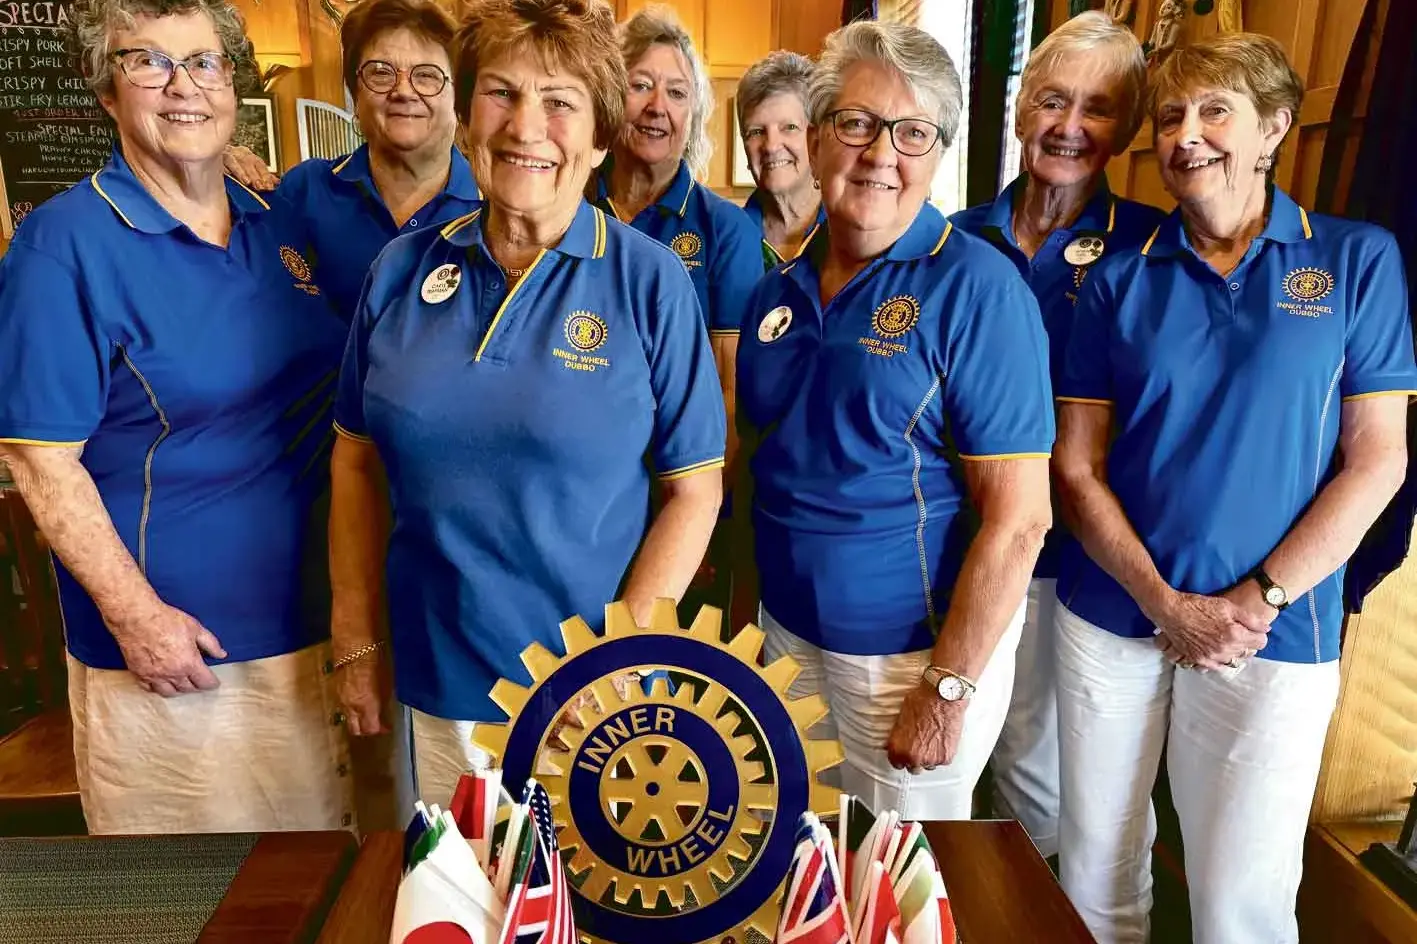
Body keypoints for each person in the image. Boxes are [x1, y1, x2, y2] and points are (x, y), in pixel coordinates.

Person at [1052, 33, 1416, 943]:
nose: (1186, 134)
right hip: (1112, 614)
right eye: (1171, 114)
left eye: (1216, 111)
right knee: (1093, 870)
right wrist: (1162, 602)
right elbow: (1074, 466)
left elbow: (1377, 460)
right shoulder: (1117, 277)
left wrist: (1253, 600)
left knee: (1237, 903)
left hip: (1275, 631)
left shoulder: (1353, 262)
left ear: (1273, 130)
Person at [330, 0, 726, 809]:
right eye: (501, 94)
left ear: (599, 135)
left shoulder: (649, 282)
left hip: (589, 699)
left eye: (559, 103)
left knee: (580, 923)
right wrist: (356, 638)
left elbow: (695, 490)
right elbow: (354, 461)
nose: (525, 127)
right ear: (467, 113)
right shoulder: (400, 271)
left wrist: (613, 659)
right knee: (448, 913)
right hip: (431, 680)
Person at [0, 0, 350, 833]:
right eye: (147, 62)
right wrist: (138, 618)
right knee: (197, 895)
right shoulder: (63, 245)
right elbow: (40, 458)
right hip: (180, 657)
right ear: (106, 90)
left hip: (317, 627)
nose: (181, 85)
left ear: (232, 84)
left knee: (317, 881)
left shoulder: (276, 221)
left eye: (203, 63)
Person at [737, 19, 1055, 820]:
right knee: (805, 866)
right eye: (856, 124)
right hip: (787, 640)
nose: (882, 154)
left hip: (906, 662)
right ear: (814, 141)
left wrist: (947, 689)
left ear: (939, 152)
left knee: (899, 892)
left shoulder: (977, 287)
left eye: (913, 132)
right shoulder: (774, 292)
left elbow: (1018, 521)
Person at [948, 10, 1163, 861]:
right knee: (942, 761)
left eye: (1097, 109)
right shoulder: (953, 241)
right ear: (1016, 109)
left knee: (1038, 780)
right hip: (953, 549)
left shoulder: (1151, 248)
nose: (1067, 127)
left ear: (1125, 130)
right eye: (1050, 100)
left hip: (1075, 569)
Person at [593, 9, 762, 614]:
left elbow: (730, 391)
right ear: (611, 96)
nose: (656, 105)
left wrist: (697, 510)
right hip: (578, 498)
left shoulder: (725, 230)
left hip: (677, 498)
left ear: (695, 113)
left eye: (677, 91)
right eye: (640, 84)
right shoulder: (566, 205)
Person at [224, 0, 479, 323]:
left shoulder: (493, 206)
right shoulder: (305, 190)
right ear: (355, 96)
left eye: (427, 76)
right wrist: (217, 163)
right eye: (381, 73)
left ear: (458, 99)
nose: (403, 90)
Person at [735, 50, 825, 266]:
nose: (771, 146)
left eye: (789, 127)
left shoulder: (853, 230)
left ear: (817, 139)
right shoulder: (727, 236)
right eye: (756, 131)